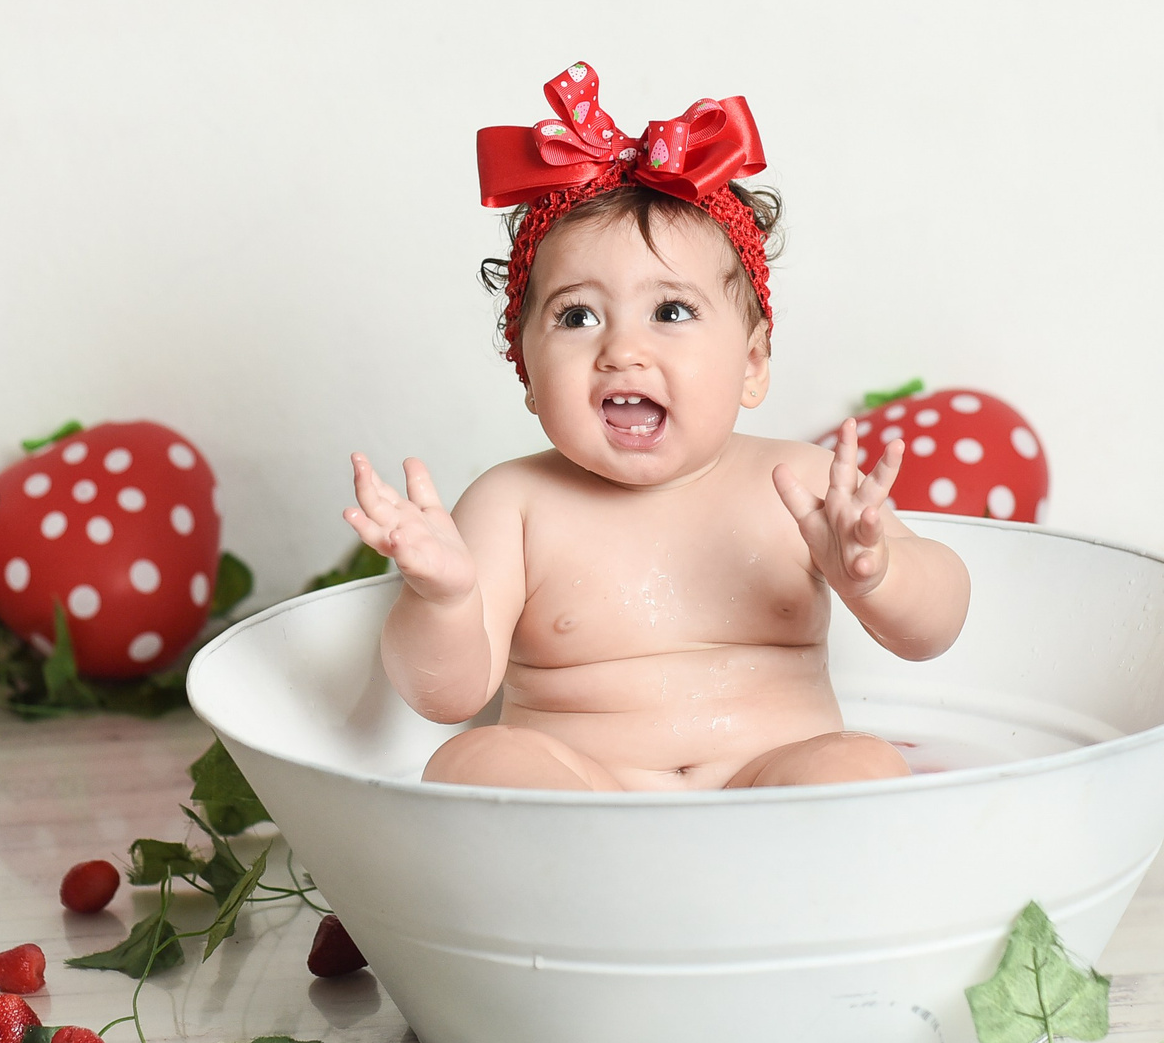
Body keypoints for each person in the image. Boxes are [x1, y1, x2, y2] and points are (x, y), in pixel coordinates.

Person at [343, 63, 970, 790]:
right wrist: (445, 598)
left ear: (753, 362)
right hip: (587, 800)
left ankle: (797, 886)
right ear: (526, 369)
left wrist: (877, 575)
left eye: (671, 311)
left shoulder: (800, 484)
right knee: (474, 761)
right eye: (577, 316)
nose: (622, 350)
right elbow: (442, 696)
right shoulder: (512, 504)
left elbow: (937, 626)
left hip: (770, 789)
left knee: (863, 765)